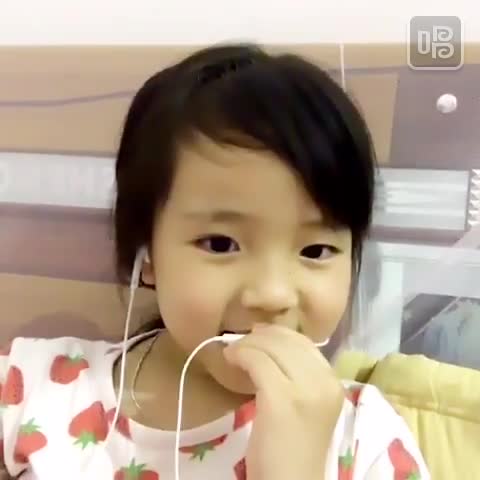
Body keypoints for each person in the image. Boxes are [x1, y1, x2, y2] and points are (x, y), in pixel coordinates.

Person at [0, 43, 430, 479]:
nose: (272, 295)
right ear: (147, 253)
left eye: (315, 251)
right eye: (221, 244)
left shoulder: (367, 439)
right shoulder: (31, 388)